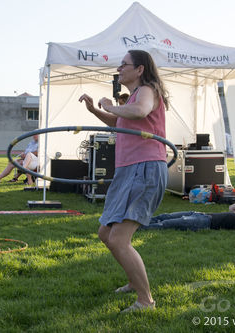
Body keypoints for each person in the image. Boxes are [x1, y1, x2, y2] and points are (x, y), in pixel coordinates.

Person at [79, 50, 169, 313]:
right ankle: (134, 280)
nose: (119, 68)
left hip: (145, 168)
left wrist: (110, 105)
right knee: (106, 233)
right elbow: (118, 123)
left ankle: (146, 301)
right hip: (127, 170)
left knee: (119, 239)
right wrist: (96, 109)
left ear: (139, 69)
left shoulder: (147, 90)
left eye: (123, 64)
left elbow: (139, 112)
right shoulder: (133, 96)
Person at [141, 193, 235, 232]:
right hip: (200, 215)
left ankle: (135, 229)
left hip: (203, 222)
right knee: (163, 217)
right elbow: (233, 208)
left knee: (164, 224)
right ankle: (135, 223)